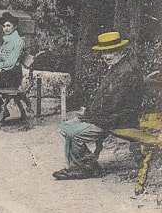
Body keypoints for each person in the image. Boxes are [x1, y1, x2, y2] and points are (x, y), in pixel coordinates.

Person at [53, 31, 142, 180]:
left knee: (72, 133)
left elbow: (114, 104)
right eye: (104, 53)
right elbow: (107, 100)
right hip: (109, 116)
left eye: (111, 52)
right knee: (64, 127)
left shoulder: (125, 72)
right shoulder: (118, 68)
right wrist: (88, 112)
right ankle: (89, 164)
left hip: (119, 119)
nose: (107, 57)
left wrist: (88, 114)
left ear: (121, 50)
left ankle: (81, 168)